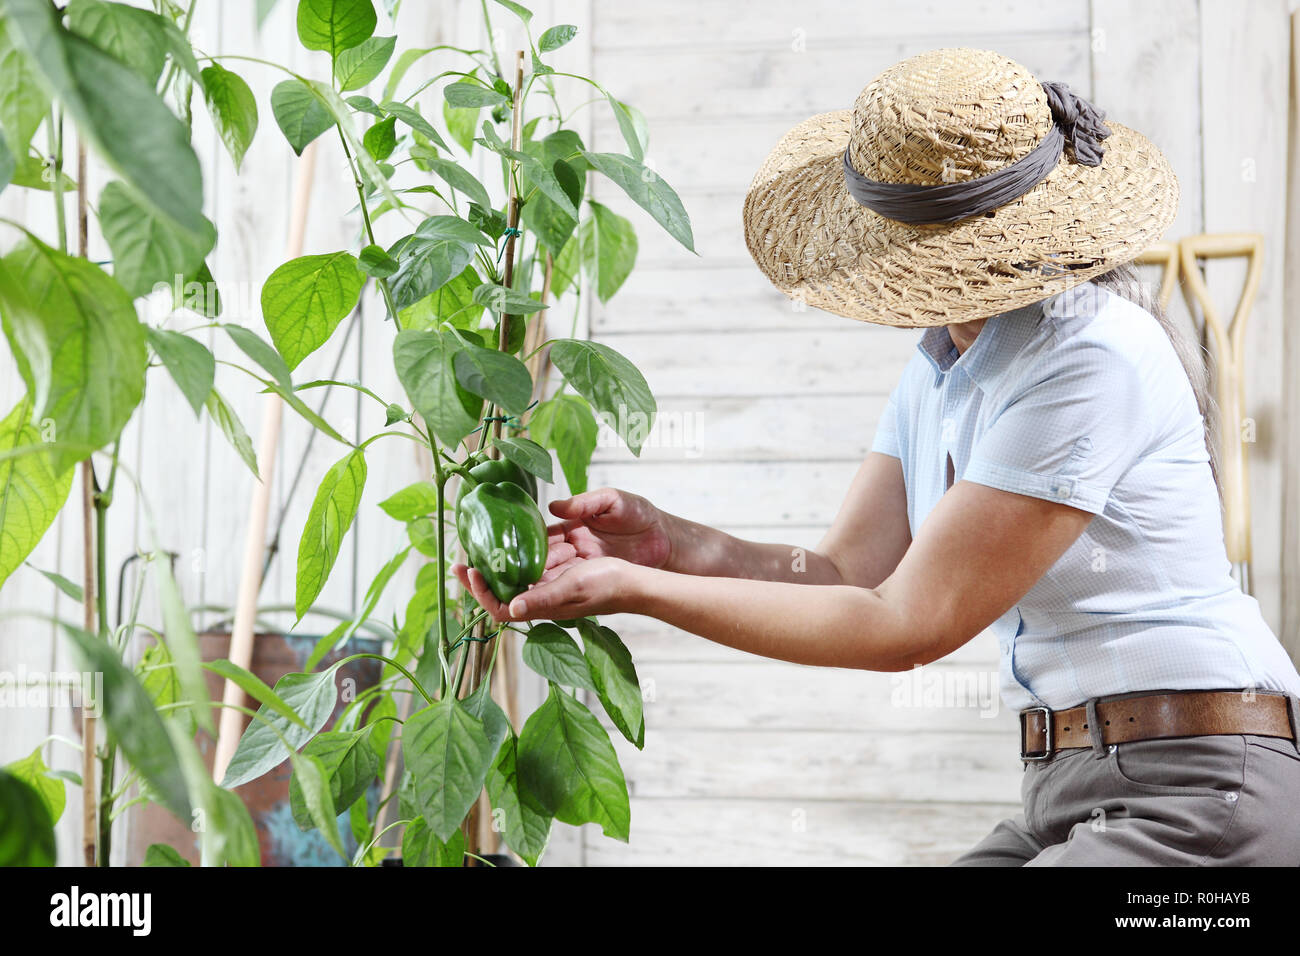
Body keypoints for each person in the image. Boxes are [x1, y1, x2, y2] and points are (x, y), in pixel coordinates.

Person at [454, 47, 1300, 865]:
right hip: (1071, 784)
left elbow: (905, 625)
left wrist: (637, 591)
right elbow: (847, 573)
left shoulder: (1089, 356)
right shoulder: (942, 365)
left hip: (1201, 783)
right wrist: (672, 547)